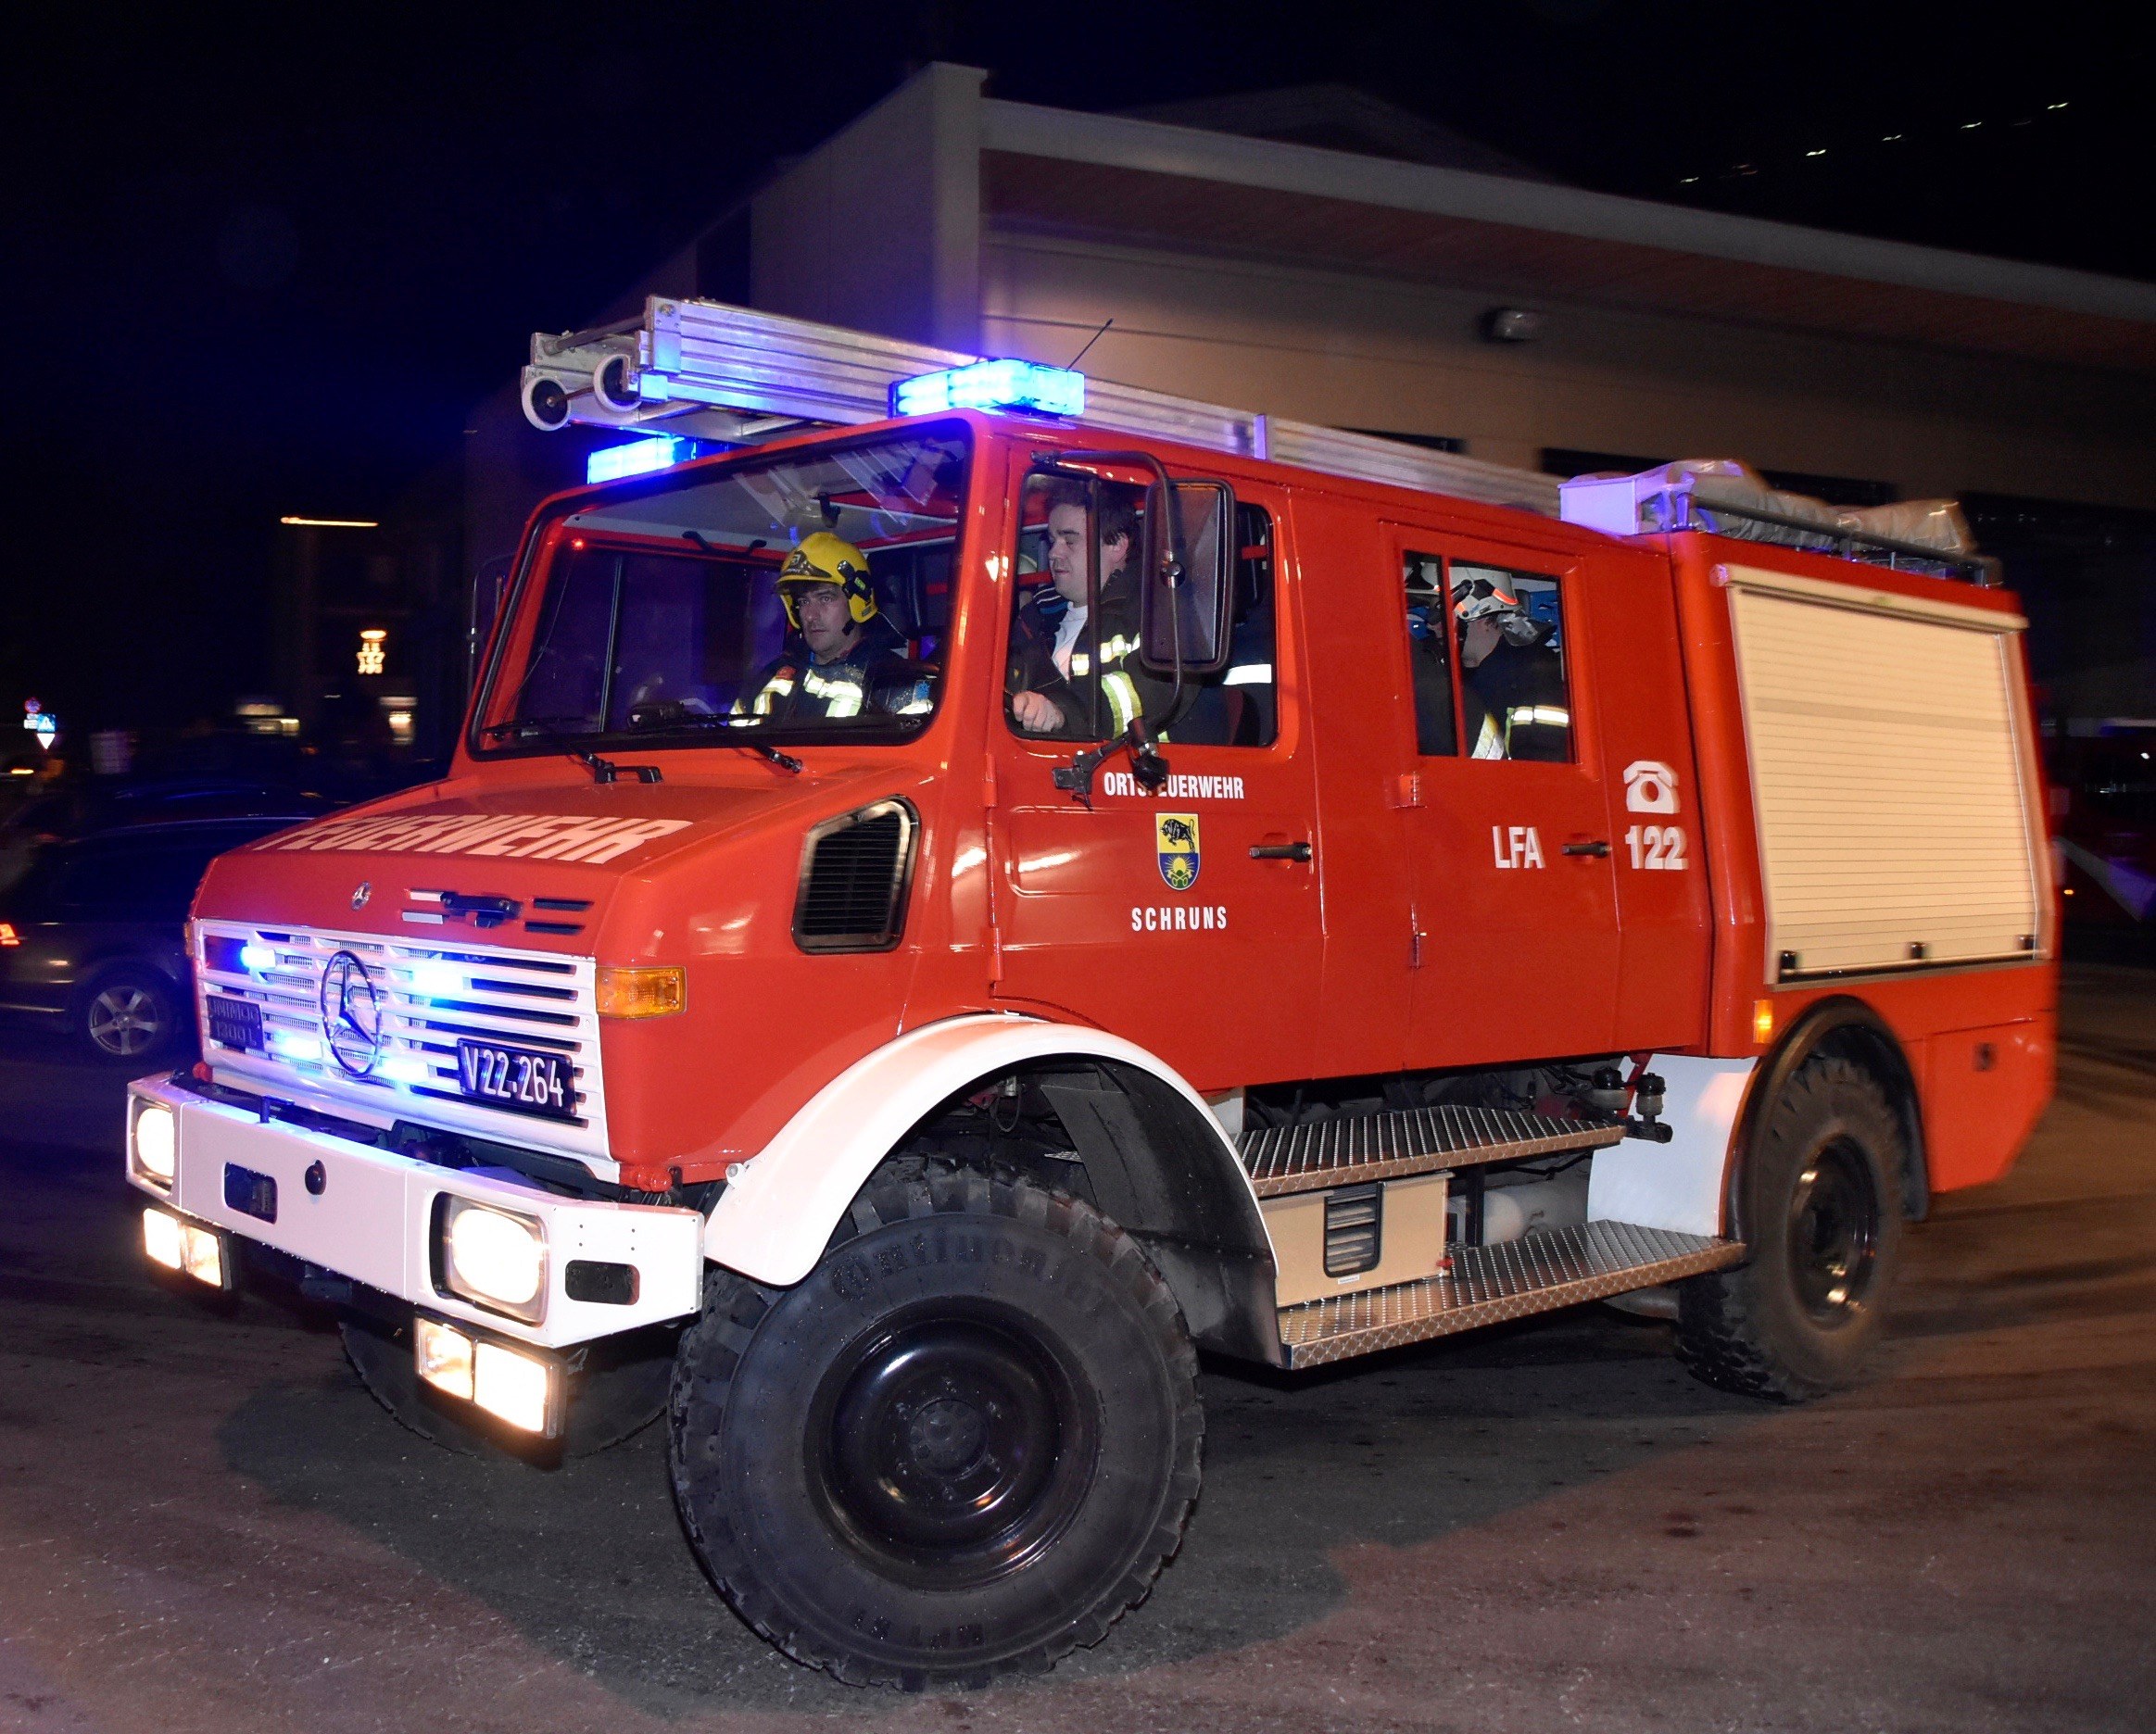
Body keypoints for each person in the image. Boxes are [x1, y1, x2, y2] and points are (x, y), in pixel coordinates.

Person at [1007, 484, 1154, 739]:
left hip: (1132, 763)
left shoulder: (1155, 613)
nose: (1054, 552)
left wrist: (1061, 713)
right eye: (1053, 541)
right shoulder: (1034, 618)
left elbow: (1143, 696)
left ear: (1117, 545)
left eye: (1070, 540)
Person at [736, 533, 919, 721]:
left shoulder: (896, 683)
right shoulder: (770, 677)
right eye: (804, 601)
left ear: (857, 601)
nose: (810, 615)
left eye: (825, 598)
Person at [1453, 569, 1570, 761]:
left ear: (1484, 619)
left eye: (1441, 616)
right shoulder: (1455, 680)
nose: (1432, 625)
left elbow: (1546, 766)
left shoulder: (1536, 677)